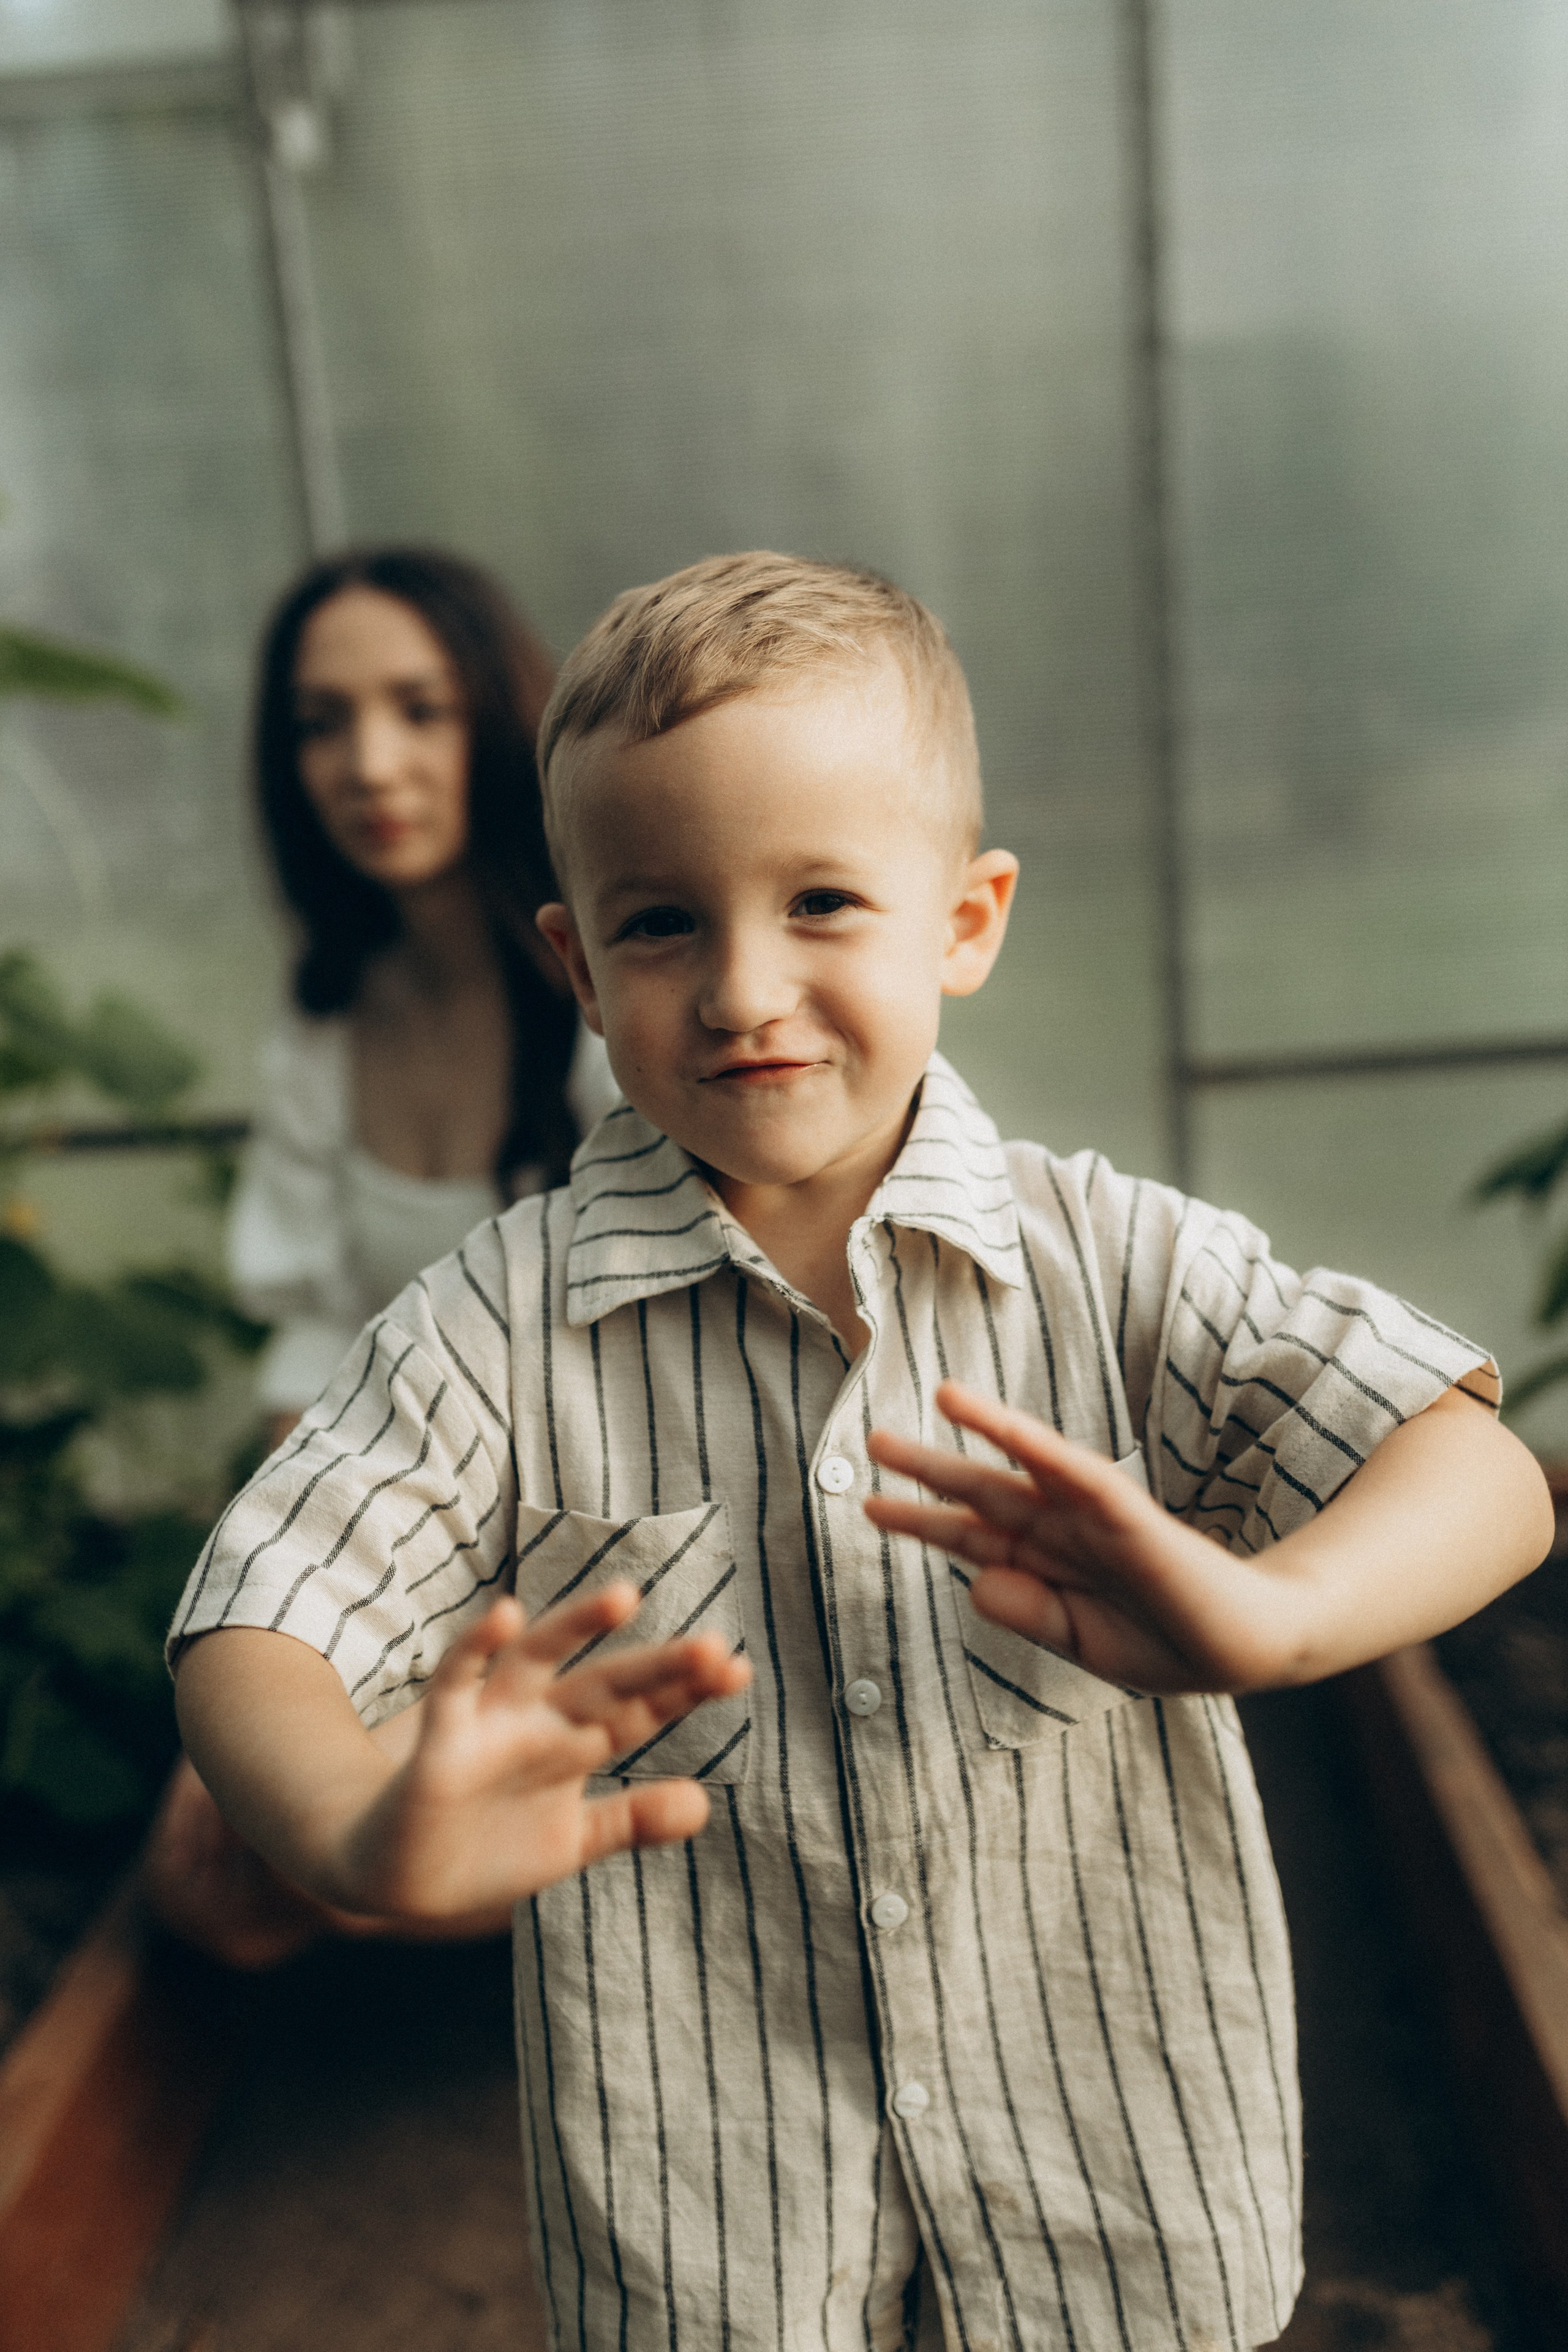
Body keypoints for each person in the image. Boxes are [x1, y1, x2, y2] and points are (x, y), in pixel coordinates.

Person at [167, 552, 1552, 2348]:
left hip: (1113, 2147)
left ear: (964, 921)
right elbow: (260, 1610)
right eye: (662, 923)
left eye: (822, 900)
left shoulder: (1112, 1265)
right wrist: (357, 1829)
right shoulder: (491, 1330)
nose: (745, 989)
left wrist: (1268, 1619)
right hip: (712, 2196)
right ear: (576, 961)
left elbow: (1481, 1468)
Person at [149, 546, 619, 1966]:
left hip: (614, 1537)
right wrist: (262, 1670)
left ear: (500, 720)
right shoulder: (322, 1034)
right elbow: (317, 1386)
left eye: (419, 708)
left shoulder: (610, 999)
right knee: (222, 1877)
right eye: (320, 720)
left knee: (402, 1863)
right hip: (413, 1544)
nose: (367, 761)